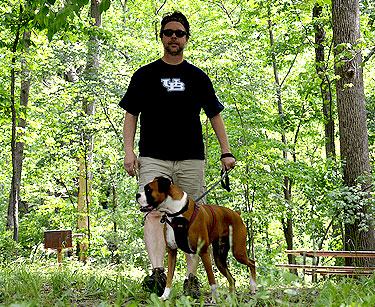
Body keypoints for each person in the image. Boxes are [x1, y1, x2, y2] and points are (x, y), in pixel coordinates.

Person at [119, 11, 235, 298]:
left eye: (179, 33)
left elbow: (215, 115)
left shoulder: (197, 77)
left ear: (186, 38)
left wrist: (226, 152)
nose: (174, 37)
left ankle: (191, 278)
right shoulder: (144, 75)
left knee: (195, 217)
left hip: (191, 158)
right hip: (153, 157)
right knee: (153, 213)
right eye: (169, 32)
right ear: (161, 36)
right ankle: (158, 273)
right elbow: (131, 115)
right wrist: (128, 152)